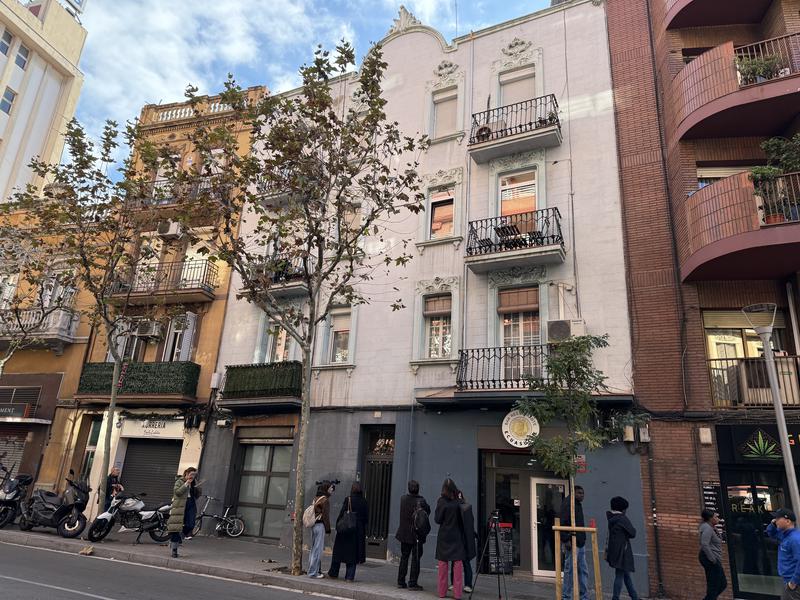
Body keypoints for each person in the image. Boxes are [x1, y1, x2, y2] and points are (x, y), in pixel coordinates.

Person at [328, 482, 369, 581]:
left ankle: (333, 573)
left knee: (338, 552)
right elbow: (366, 518)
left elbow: (342, 513)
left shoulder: (348, 499)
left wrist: (338, 525)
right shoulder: (364, 501)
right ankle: (349, 576)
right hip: (357, 531)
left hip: (346, 529)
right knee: (353, 554)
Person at [396, 480, 431, 591]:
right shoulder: (422, 501)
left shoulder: (403, 499)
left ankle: (401, 581)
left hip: (404, 533)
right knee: (416, 559)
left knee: (404, 557)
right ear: (418, 489)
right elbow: (428, 512)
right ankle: (412, 582)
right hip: (416, 535)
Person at [435, 478, 466, 600]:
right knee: (457, 565)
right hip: (457, 536)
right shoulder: (460, 502)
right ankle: (457, 594)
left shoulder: (441, 501)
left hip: (444, 536)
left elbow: (437, 520)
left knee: (443, 565)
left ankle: (442, 592)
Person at [606, 496, 639, 600]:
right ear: (623, 509)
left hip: (614, 550)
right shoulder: (622, 519)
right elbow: (632, 533)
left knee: (626, 574)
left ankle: (634, 596)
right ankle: (615, 598)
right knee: (620, 575)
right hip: (623, 551)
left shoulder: (611, 518)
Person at [560, 485, 588, 600]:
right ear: (574, 493)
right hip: (572, 542)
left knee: (583, 570)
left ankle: (584, 596)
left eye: (583, 493)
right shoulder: (568, 504)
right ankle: (566, 596)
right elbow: (562, 522)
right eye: (579, 493)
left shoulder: (577, 504)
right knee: (570, 570)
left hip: (580, 541)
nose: (582, 495)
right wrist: (566, 539)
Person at [767, 508, 800, 600]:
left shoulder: (795, 539)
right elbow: (770, 533)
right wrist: (772, 524)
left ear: (788, 521)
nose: (775, 520)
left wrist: (793, 583)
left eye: (778, 519)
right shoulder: (784, 535)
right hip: (787, 581)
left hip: (794, 584)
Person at [167, 467, 200, 558]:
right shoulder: (179, 481)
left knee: (191, 525)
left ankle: (180, 536)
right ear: (186, 473)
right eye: (191, 474)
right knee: (176, 527)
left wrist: (197, 486)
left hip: (191, 504)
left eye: (194, 475)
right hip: (180, 505)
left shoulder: (193, 482)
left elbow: (197, 495)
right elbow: (177, 492)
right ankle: (174, 550)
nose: (192, 476)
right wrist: (186, 483)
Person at [450, 490, 477, 594]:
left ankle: (465, 584)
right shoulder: (464, 508)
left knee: (462, 562)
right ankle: (464, 584)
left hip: (462, 538)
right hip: (460, 538)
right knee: (459, 562)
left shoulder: (464, 508)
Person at [698, 509, 727, 600]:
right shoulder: (707, 528)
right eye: (716, 517)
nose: (718, 518)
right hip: (709, 559)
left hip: (713, 558)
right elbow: (704, 544)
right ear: (710, 518)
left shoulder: (712, 527)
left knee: (722, 584)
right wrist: (713, 559)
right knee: (714, 585)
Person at [308, 481, 333, 579]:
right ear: (326, 488)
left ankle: (313, 570)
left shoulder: (316, 498)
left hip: (314, 525)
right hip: (320, 526)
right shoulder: (325, 500)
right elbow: (325, 517)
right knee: (318, 550)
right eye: (330, 488)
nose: (332, 489)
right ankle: (313, 573)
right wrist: (328, 530)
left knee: (313, 549)